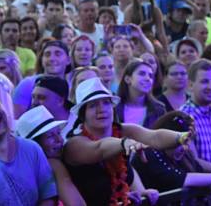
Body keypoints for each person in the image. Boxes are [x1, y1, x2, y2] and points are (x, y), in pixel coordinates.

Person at [62, 77, 188, 206]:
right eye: (93, 105)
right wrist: (125, 143)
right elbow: (100, 148)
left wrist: (181, 137)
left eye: (106, 103)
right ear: (83, 114)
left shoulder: (123, 130)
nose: (101, 109)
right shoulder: (74, 144)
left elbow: (153, 137)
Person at [132, 111, 211, 200]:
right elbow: (174, 178)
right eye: (180, 142)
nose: (185, 148)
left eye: (187, 142)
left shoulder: (185, 157)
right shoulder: (148, 153)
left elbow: (198, 171)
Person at [15, 105, 85, 206]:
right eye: (50, 136)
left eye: (58, 133)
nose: (59, 140)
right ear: (35, 144)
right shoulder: (53, 164)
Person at [115, 59, 166, 127]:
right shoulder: (114, 108)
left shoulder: (159, 109)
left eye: (150, 76)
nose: (148, 79)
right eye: (142, 74)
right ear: (127, 79)